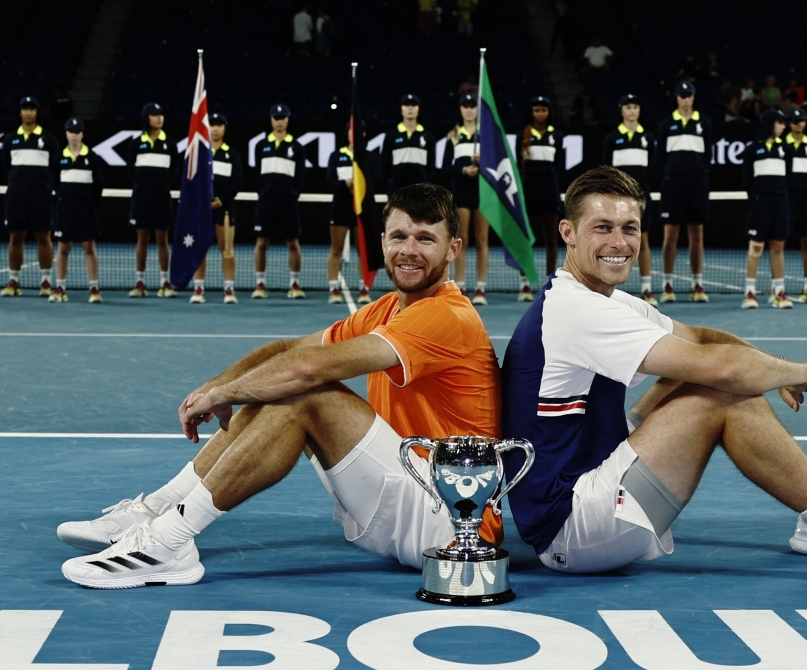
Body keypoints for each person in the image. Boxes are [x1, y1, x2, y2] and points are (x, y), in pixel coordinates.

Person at [500, 165, 807, 585]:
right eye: (602, 228)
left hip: (583, 482)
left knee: (700, 374)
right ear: (568, 233)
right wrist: (800, 372)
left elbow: (702, 338)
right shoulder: (575, 310)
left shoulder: (602, 299)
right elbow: (723, 368)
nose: (618, 242)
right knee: (724, 392)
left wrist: (775, 371)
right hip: (571, 529)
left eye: (629, 228)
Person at [57, 184, 505, 588]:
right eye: (399, 237)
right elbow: (290, 349)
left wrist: (225, 395)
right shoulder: (388, 308)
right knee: (277, 382)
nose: (409, 250)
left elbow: (307, 369)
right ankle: (155, 511)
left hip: (449, 522)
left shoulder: (447, 315)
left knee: (304, 392)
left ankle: (169, 543)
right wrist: (219, 383)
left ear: (453, 249)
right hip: (409, 494)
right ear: (383, 242)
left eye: (426, 239)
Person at [657, 80, 711, 303]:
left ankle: (697, 284)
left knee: (697, 233)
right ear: (677, 98)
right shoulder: (666, 125)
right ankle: (667, 284)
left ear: (693, 97)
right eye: (682, 95)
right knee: (671, 233)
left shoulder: (704, 124)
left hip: (697, 183)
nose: (686, 99)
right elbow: (660, 157)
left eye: (689, 95)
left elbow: (708, 155)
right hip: (673, 184)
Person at [1, 96, 59, 298]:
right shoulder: (10, 139)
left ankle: (46, 280)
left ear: (37, 113)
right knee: (15, 237)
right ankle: (14, 280)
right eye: (25, 108)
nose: (28, 112)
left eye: (32, 109)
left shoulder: (48, 139)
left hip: (40, 194)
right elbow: (7, 166)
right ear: (20, 113)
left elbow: (55, 165)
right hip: (17, 194)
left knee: (44, 237)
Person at [603, 94, 657, 304]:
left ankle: (647, 288)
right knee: (612, 243)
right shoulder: (612, 139)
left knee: (643, 241)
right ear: (622, 111)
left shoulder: (649, 139)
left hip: (641, 200)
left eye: (635, 107)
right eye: (628, 107)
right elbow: (607, 169)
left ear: (639, 111)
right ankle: (610, 290)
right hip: (616, 201)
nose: (632, 111)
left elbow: (653, 167)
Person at [252, 103, 306, 300]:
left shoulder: (297, 147)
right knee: (261, 242)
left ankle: (295, 283)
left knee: (293, 242)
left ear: (288, 120)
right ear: (271, 120)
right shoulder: (261, 146)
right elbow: (257, 175)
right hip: (266, 200)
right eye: (276, 118)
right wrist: (265, 191)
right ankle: (260, 284)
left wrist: (291, 192)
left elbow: (300, 177)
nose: (279, 121)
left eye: (283, 117)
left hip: (288, 201)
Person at [49, 117, 103, 304]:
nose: (74, 135)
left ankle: (94, 288)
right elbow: (54, 183)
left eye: (77, 132)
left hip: (86, 208)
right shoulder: (58, 158)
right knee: (63, 247)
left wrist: (89, 204)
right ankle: (60, 287)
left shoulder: (92, 157)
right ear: (66, 134)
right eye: (71, 131)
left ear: (82, 134)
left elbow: (98, 186)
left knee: (89, 247)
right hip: (65, 208)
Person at [742, 109, 792, 309]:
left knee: (778, 246)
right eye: (780, 123)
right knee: (756, 247)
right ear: (771, 124)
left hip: (780, 202)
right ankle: (750, 292)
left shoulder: (786, 149)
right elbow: (747, 179)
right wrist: (757, 197)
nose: (783, 126)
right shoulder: (752, 149)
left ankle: (778, 291)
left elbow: (788, 176)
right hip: (760, 202)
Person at [190, 113, 243, 305]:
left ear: (225, 128)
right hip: (202, 209)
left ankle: (229, 289)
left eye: (219, 125)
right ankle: (198, 288)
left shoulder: (232, 155)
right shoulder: (200, 154)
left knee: (226, 250)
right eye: (212, 125)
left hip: (225, 208)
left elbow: (237, 182)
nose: (215, 128)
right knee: (200, 249)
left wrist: (220, 201)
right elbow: (192, 181)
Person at [443, 94, 490, 304]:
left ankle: (481, 288)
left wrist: (484, 161)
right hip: (462, 192)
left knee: (482, 240)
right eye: (466, 106)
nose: (469, 110)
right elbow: (445, 167)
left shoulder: (486, 136)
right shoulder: (453, 135)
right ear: (461, 110)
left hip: (483, 193)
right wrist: (463, 169)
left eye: (472, 106)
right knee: (462, 240)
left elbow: (497, 167)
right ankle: (460, 286)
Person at [127, 102, 178, 298]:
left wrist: (161, 185)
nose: (159, 118)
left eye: (161, 115)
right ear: (146, 118)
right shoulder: (136, 143)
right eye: (155, 115)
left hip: (162, 197)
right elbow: (131, 171)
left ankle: (165, 281)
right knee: (142, 238)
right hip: (141, 196)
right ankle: (140, 281)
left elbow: (174, 172)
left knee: (162, 239)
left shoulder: (170, 145)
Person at [326, 120, 374, 304]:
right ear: (347, 134)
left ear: (364, 135)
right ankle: (334, 289)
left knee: (363, 250)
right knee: (335, 249)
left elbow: (375, 179)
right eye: (351, 131)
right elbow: (330, 182)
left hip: (362, 208)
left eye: (359, 131)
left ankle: (364, 289)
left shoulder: (369, 157)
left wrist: (360, 184)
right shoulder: (336, 156)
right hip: (341, 206)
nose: (355, 134)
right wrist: (346, 183)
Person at [520, 96, 562, 297]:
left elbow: (559, 165)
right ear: (532, 112)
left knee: (551, 238)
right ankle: (525, 284)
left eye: (543, 110)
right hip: (529, 189)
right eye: (536, 110)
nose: (540, 114)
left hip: (549, 190)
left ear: (549, 113)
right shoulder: (524, 134)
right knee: (526, 237)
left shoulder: (557, 135)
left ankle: (550, 281)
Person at [783, 108, 807, 304]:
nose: (800, 124)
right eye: (796, 121)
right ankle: (778, 287)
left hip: (805, 197)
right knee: (778, 243)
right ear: (790, 124)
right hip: (786, 198)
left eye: (803, 121)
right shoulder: (783, 147)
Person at [380, 94, 435, 199]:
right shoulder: (391, 135)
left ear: (418, 110)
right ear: (401, 110)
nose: (410, 108)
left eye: (414, 105)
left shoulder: (428, 136)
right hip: (396, 190)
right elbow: (385, 166)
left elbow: (431, 168)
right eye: (406, 105)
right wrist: (389, 189)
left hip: (421, 192)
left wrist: (428, 188)